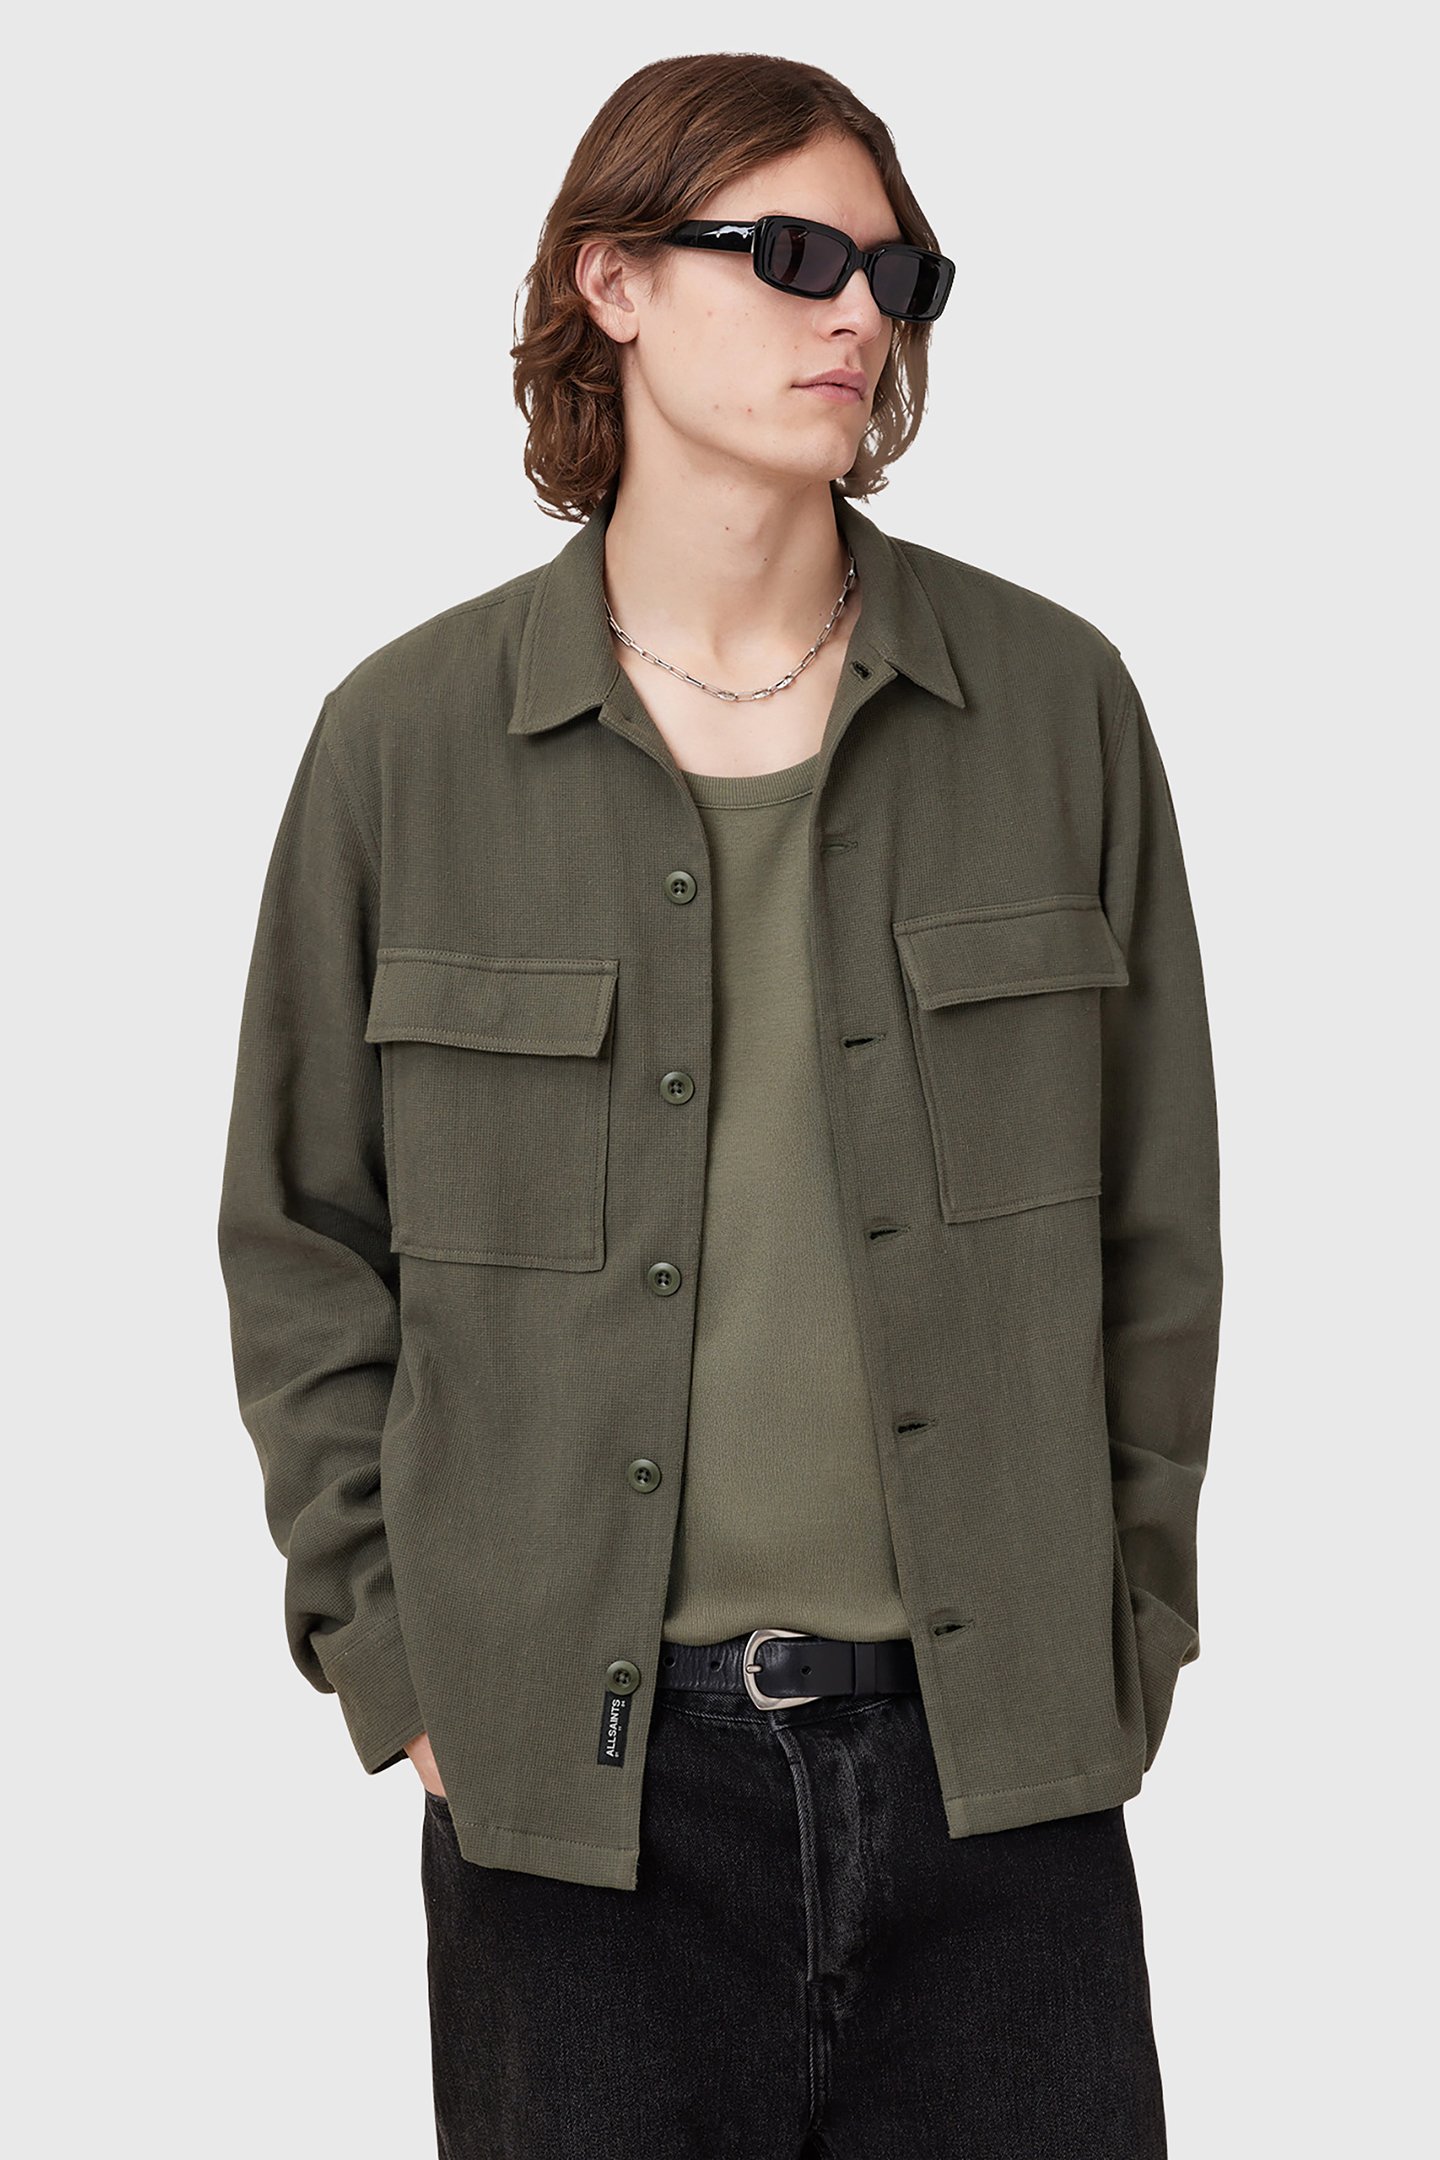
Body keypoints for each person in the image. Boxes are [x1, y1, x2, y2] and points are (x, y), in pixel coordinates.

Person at [217, 50, 1222, 2160]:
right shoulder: (406, 744)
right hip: (576, 1812)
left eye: (894, 274)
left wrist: (1128, 1629)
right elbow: (300, 1233)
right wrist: (397, 1662)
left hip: (1000, 1781)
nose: (859, 315)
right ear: (612, 281)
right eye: (790, 257)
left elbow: (1159, 1228)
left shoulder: (1056, 709)